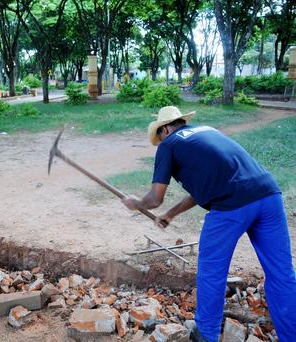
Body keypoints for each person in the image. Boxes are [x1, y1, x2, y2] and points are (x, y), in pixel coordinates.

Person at [122, 106, 296, 342]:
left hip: (230, 207)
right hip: (268, 196)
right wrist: (171, 214)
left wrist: (136, 202)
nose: (160, 140)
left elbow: (155, 198)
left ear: (164, 129)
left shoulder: (169, 144)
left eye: (160, 135)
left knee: (212, 272)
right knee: (282, 274)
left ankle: (206, 334)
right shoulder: (207, 132)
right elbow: (203, 189)